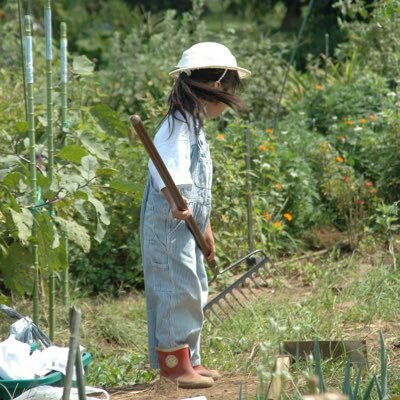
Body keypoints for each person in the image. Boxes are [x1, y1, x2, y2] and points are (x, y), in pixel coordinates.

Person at [140, 42, 251, 388]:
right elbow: (167, 169)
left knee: (194, 286)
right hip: (168, 226)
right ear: (218, 86)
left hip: (187, 227)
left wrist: (207, 229)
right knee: (176, 289)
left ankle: (191, 359)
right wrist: (174, 200)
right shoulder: (176, 125)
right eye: (231, 87)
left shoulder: (193, 123)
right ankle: (174, 367)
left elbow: (199, 189)